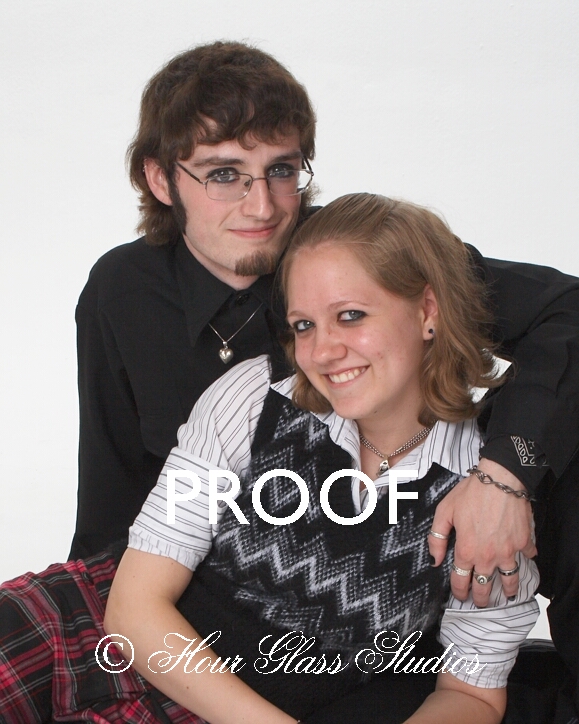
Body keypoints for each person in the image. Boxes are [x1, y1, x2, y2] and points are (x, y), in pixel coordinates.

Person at [70, 40, 579, 694]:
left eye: (281, 170)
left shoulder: (361, 254)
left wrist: (505, 472)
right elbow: (111, 482)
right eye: (223, 174)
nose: (262, 206)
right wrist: (117, 637)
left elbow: (568, 311)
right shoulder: (123, 291)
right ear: (161, 179)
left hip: (402, 586)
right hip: (210, 607)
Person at [0, 194, 540, 723]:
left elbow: (471, 694)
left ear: (428, 311)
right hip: (81, 634)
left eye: (351, 316)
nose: (322, 352)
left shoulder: (488, 496)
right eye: (304, 325)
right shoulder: (255, 398)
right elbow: (133, 608)